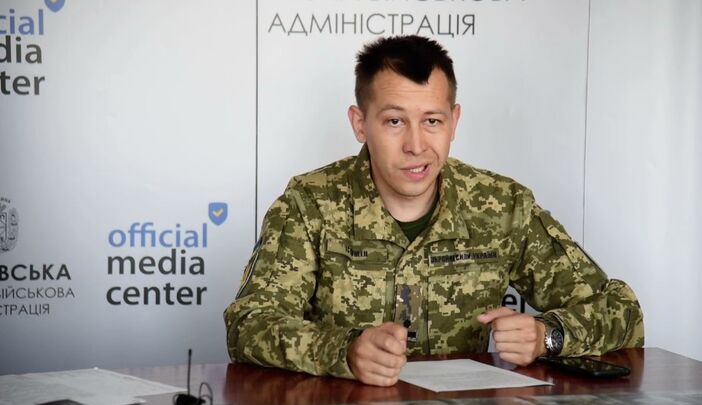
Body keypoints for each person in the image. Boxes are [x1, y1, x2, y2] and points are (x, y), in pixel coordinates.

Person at [224, 35, 644, 387]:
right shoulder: (309, 204)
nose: (416, 146)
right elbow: (248, 324)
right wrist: (344, 351)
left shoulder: (502, 206)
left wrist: (546, 336)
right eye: (394, 121)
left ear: (454, 121)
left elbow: (622, 310)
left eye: (432, 121)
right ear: (360, 123)